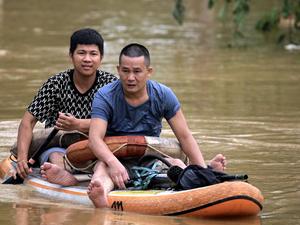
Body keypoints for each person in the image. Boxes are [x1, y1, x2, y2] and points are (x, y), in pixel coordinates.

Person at [87, 43, 226, 208]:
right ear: (118, 70)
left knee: (176, 164)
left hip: (151, 158)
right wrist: (113, 163)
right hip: (114, 158)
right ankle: (100, 194)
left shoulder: (163, 94)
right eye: (125, 71)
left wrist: (202, 172)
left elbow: (184, 136)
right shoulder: (104, 96)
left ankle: (204, 171)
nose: (131, 77)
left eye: (137, 71)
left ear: (148, 72)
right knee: (101, 169)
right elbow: (95, 139)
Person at [14, 28, 117, 183]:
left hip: (97, 146)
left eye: (93, 54)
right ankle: (63, 176)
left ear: (101, 57)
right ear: (71, 55)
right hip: (58, 146)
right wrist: (22, 159)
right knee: (56, 158)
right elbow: (28, 122)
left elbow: (119, 122)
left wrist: (77, 124)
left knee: (107, 160)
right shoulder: (55, 84)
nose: (87, 59)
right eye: (81, 53)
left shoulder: (111, 85)